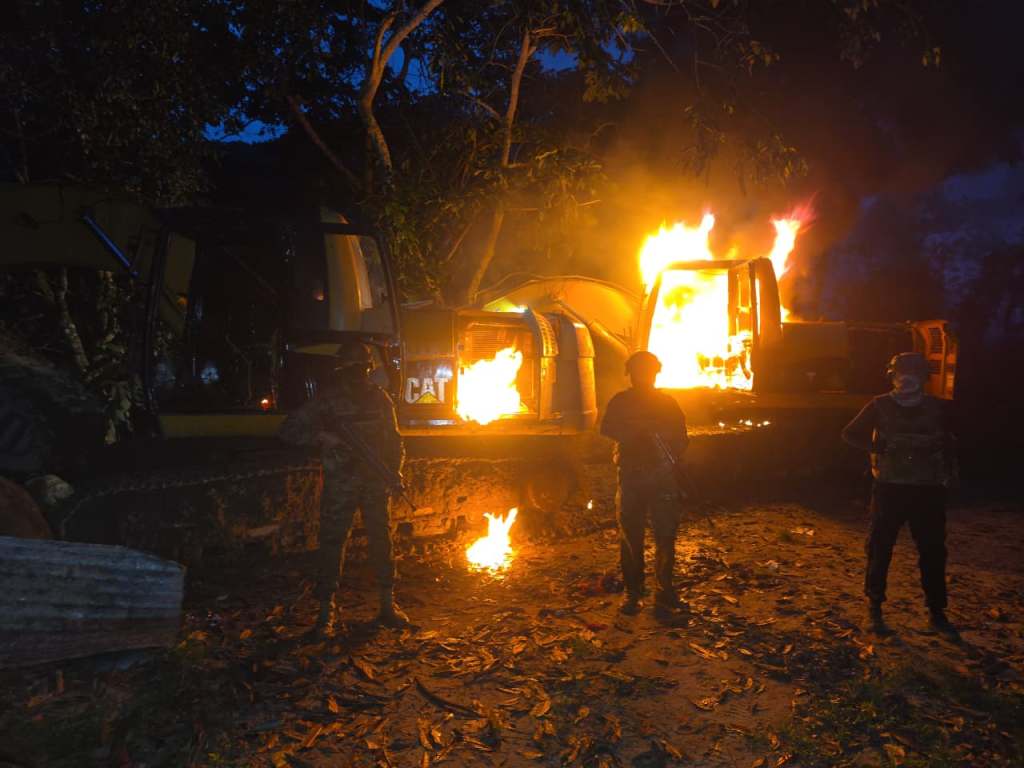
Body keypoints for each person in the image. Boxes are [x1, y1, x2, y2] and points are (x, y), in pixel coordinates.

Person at [279, 340, 409, 634]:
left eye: (361, 369)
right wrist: (323, 437)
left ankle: (387, 606)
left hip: (375, 482)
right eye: (355, 369)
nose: (358, 375)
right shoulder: (328, 401)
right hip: (342, 482)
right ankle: (326, 613)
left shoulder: (380, 400)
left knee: (381, 540)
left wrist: (395, 473)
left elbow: (395, 440)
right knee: (333, 542)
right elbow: (289, 430)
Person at [842, 352, 956, 636]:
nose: (906, 379)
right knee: (880, 549)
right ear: (891, 376)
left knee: (932, 551)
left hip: (928, 490)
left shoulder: (938, 408)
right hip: (890, 488)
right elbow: (850, 433)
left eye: (913, 373)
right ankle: (875, 609)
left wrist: (950, 471)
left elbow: (953, 441)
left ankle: (936, 613)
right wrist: (879, 450)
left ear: (924, 378)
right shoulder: (879, 405)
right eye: (900, 374)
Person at [600, 350, 690, 621]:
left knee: (665, 535)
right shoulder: (621, 402)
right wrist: (634, 435)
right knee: (631, 536)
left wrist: (661, 444)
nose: (643, 376)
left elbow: (682, 438)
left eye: (647, 371)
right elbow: (606, 428)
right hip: (632, 475)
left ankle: (664, 591)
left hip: (661, 475)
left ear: (655, 373)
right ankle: (633, 592)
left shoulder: (667, 403)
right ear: (631, 374)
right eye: (639, 371)